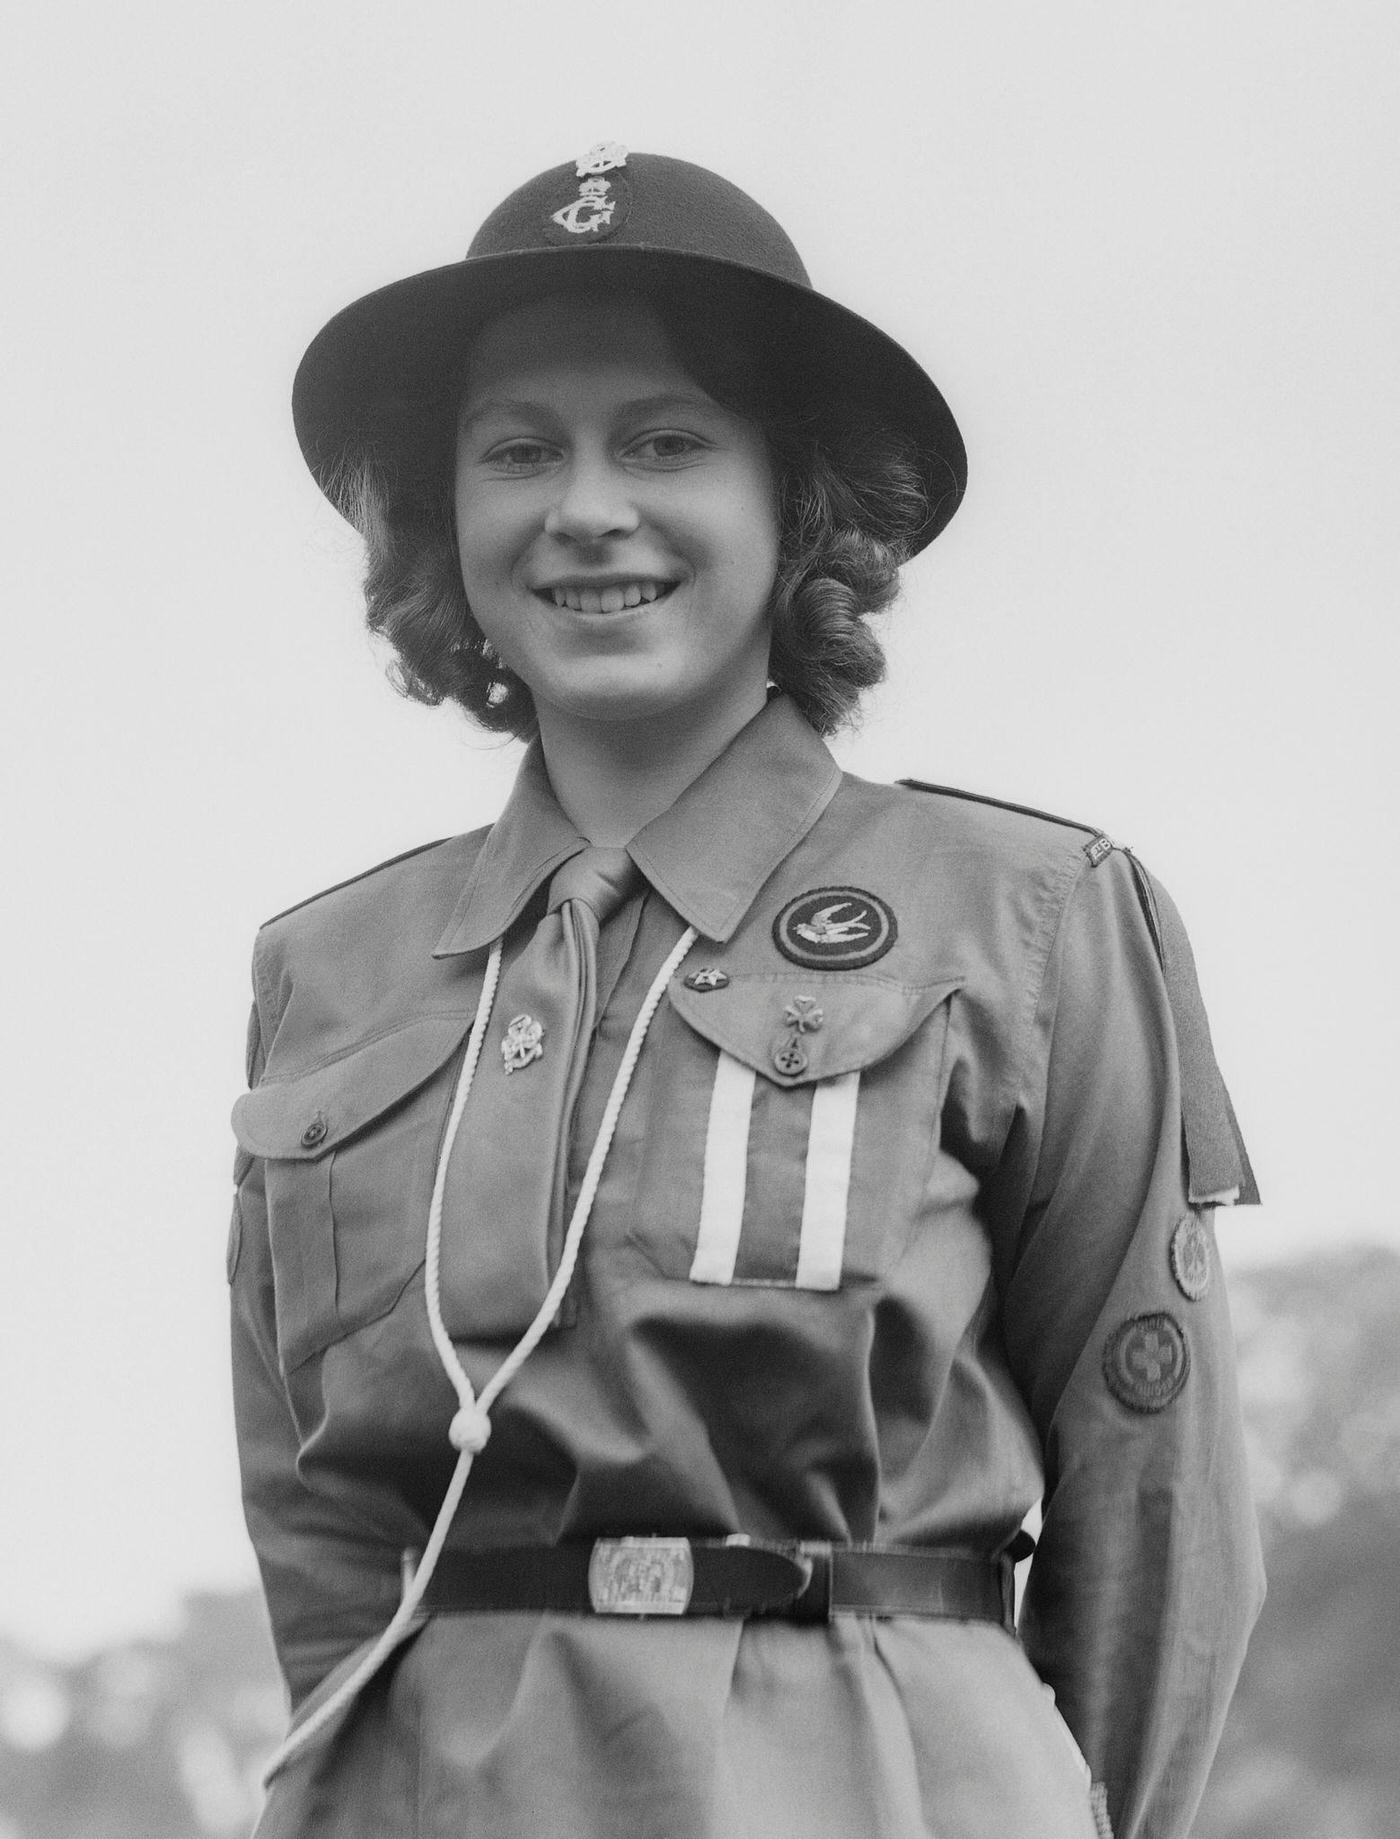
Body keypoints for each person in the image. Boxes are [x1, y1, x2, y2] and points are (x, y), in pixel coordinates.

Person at [229, 145, 1264, 1839]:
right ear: (447, 517)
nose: (586, 508)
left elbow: (1154, 1502)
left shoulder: (1027, 914)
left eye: (665, 440)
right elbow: (316, 1518)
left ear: (797, 503)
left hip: (886, 1774)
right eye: (516, 452)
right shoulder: (328, 968)